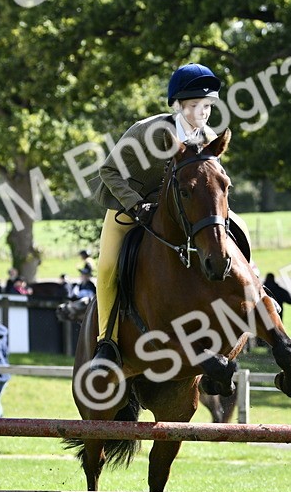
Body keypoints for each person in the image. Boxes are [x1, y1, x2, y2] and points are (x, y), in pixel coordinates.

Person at [86, 63, 243, 366]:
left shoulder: (209, 138)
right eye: (196, 105)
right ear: (179, 106)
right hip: (130, 208)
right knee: (106, 267)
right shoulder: (146, 131)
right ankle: (106, 342)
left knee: (228, 238)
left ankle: (254, 294)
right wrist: (135, 204)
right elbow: (108, 170)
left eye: (208, 105)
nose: (203, 112)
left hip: (178, 215)